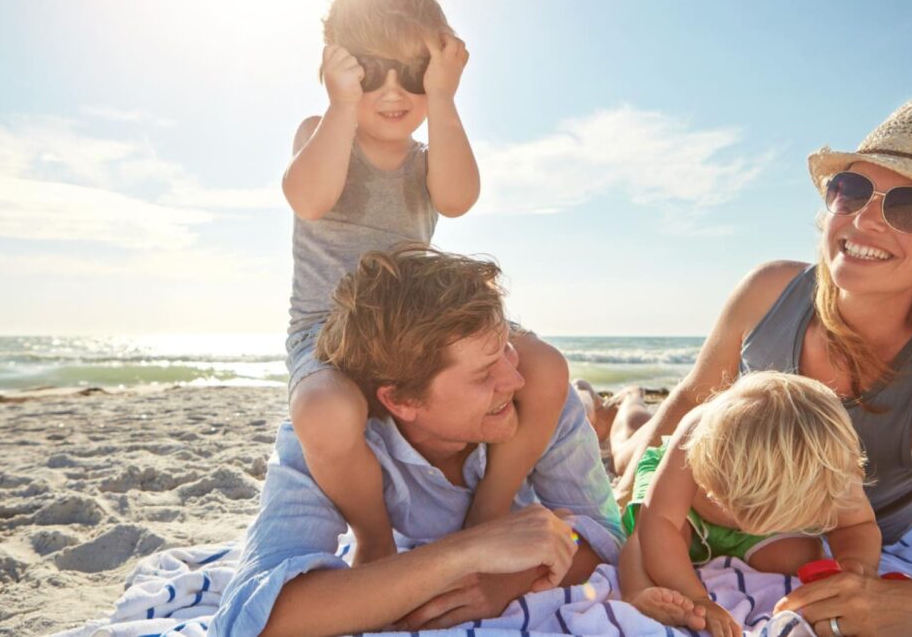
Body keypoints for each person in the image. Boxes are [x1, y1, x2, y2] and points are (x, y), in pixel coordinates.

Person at [607, 95, 912, 637]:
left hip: (780, 530)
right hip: (696, 479)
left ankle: (623, 409)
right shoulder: (768, 291)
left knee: (633, 442)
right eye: (852, 190)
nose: (864, 219)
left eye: (909, 206)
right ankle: (625, 409)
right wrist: (627, 491)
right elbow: (690, 401)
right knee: (630, 449)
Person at [282, 0, 568, 566]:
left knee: (544, 367)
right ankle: (374, 535)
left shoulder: (427, 160)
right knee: (323, 412)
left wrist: (443, 98)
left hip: (416, 326)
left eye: (412, 72)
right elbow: (308, 198)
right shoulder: (322, 132)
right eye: (370, 71)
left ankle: (489, 510)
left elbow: (459, 199)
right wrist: (341, 104)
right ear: (338, 68)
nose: (393, 91)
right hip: (329, 333)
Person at [211, 246, 624, 636]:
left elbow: (606, 536)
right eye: (484, 374)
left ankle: (609, 404)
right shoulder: (331, 441)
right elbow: (254, 619)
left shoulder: (536, 402)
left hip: (571, 424)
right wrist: (466, 552)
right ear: (401, 401)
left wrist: (516, 579)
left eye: (507, 349)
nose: (513, 380)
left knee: (596, 411)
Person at [616, 372, 881, 637]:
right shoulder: (697, 434)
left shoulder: (831, 468)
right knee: (645, 540)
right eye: (732, 503)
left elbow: (857, 526)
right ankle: (638, 593)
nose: (742, 520)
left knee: (801, 557)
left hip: (751, 531)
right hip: (687, 513)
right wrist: (697, 598)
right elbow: (659, 523)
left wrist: (856, 563)